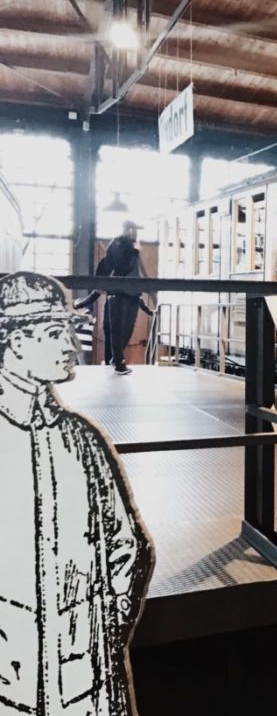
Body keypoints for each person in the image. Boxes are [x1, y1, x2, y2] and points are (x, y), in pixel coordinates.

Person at [0, 272, 153, 715]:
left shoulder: (81, 439)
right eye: (55, 333)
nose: (71, 345)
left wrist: (96, 638)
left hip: (88, 683)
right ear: (14, 344)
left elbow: (130, 549)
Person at [97, 221, 149, 375]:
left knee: (126, 330)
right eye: (131, 229)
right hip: (120, 291)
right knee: (117, 330)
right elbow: (119, 266)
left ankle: (114, 360)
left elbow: (134, 271)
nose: (133, 232)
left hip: (132, 292)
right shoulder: (119, 244)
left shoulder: (131, 246)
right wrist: (134, 251)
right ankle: (117, 362)